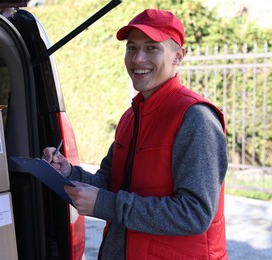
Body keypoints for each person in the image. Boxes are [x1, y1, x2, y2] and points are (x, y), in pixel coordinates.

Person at [43, 9, 228, 259]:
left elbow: (194, 214)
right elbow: (110, 183)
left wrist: (106, 205)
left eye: (152, 48)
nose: (138, 58)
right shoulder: (131, 117)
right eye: (131, 48)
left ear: (178, 56)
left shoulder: (195, 118)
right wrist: (69, 172)